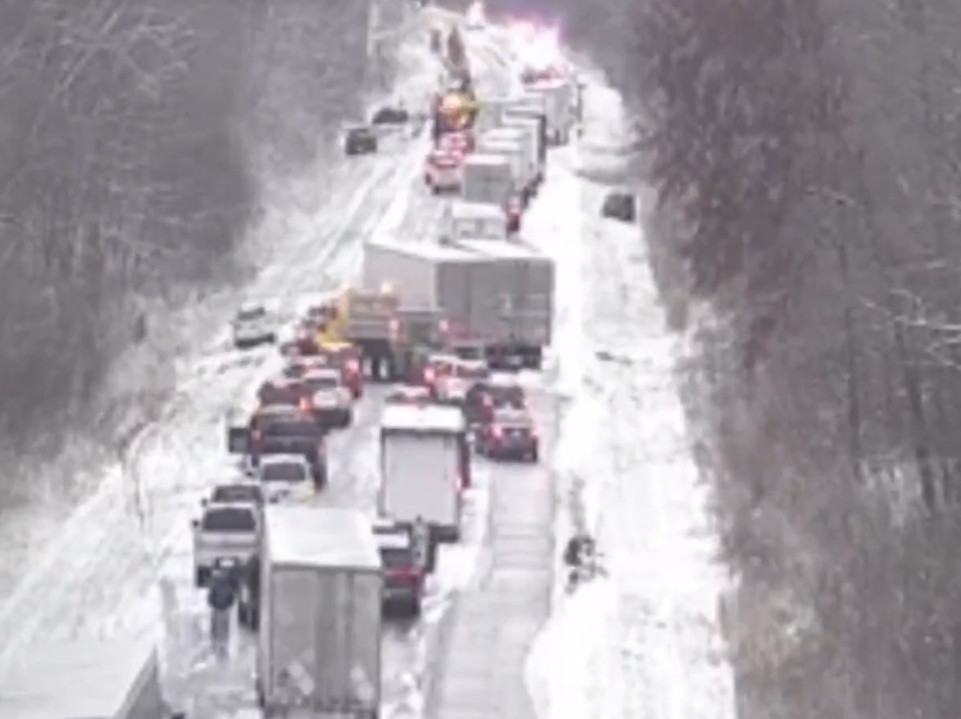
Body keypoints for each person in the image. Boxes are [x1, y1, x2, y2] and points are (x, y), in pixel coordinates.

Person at [207, 566, 236, 655]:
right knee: (224, 626)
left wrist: (213, 604)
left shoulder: (215, 584)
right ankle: (223, 644)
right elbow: (232, 598)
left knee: (215, 626)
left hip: (217, 609)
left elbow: (210, 597)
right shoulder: (228, 585)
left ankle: (215, 643)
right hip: (225, 609)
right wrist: (228, 605)